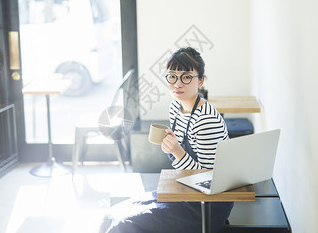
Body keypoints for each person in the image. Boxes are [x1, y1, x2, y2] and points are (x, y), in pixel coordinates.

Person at [99, 47, 232, 233]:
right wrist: (172, 148)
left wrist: (177, 151)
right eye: (172, 76)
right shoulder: (176, 107)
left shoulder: (205, 119)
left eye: (186, 77)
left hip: (206, 206)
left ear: (200, 81)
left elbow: (208, 180)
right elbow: (183, 164)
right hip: (184, 191)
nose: (177, 84)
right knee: (111, 215)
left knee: (124, 226)